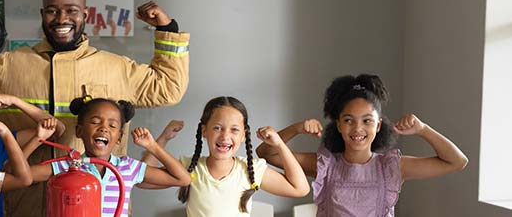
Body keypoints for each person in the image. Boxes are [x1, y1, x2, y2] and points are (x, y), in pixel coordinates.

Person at [0, 0, 191, 215]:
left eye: (71, 10)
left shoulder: (117, 68)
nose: (61, 18)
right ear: (43, 15)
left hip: (95, 206)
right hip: (24, 203)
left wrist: (167, 28)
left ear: (85, 15)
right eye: (53, 11)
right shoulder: (10, 64)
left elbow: (168, 86)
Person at [256, 74, 468, 216]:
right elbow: (265, 153)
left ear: (378, 126)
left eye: (367, 121)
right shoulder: (324, 165)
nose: (358, 129)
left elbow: (456, 162)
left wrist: (423, 129)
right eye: (349, 120)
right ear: (338, 124)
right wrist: (297, 128)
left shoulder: (392, 167)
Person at [141, 97, 309, 217]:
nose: (225, 136)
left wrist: (279, 144)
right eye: (217, 128)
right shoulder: (189, 169)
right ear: (204, 131)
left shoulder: (251, 170)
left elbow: (300, 189)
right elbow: (140, 179)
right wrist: (162, 139)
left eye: (234, 129)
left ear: (244, 135)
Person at [29, 97, 191, 217]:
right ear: (79, 131)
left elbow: (183, 179)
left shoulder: (127, 167)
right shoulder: (68, 166)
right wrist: (37, 138)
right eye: (95, 122)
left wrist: (152, 146)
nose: (104, 128)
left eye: (112, 125)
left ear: (119, 137)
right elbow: (22, 175)